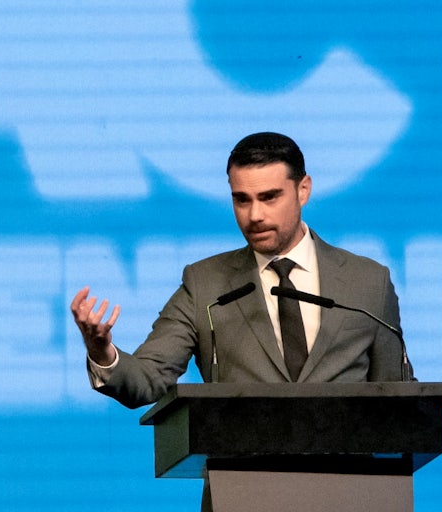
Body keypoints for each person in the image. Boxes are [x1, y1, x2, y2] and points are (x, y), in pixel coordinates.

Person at [71, 132, 413, 410]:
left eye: (269, 197)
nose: (254, 215)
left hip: (353, 488)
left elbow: (399, 403)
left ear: (303, 190)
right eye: (242, 199)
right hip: (239, 488)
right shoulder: (205, 286)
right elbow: (147, 380)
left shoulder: (368, 282)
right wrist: (103, 353)